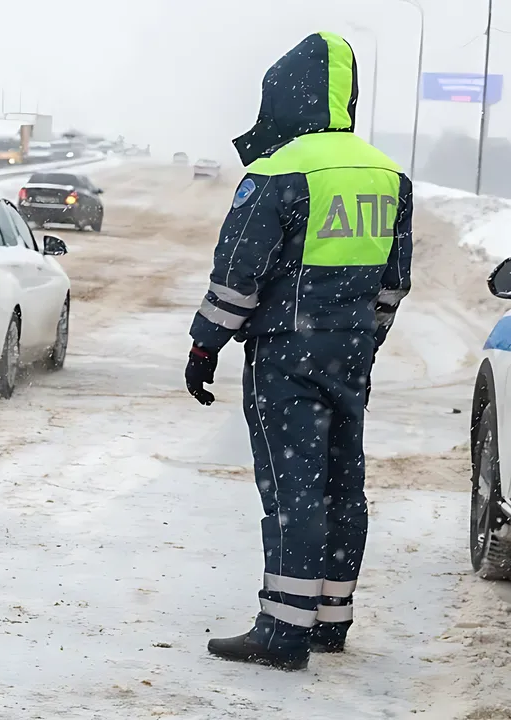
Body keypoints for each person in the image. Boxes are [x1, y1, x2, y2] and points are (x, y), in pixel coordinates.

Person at [184, 31, 412, 671]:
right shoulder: (388, 175)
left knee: (293, 489)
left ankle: (282, 633)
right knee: (342, 486)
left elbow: (237, 274)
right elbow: (395, 281)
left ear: (284, 97)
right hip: (349, 355)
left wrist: (205, 346)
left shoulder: (280, 172)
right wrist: (362, 339)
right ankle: (329, 622)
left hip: (285, 356)